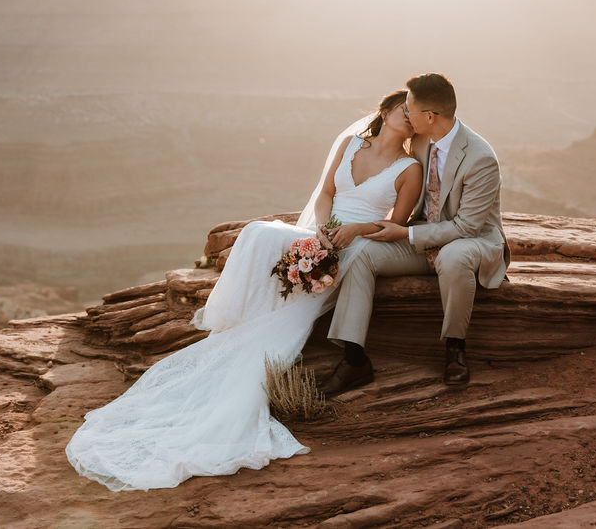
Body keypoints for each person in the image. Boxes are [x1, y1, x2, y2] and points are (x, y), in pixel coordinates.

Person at [65, 90, 422, 491]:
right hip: (321, 231)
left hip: (356, 244)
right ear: (387, 109)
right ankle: (239, 319)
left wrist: (350, 234)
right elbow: (325, 194)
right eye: (402, 109)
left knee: (300, 291)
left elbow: (395, 225)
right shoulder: (351, 143)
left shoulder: (409, 168)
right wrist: (318, 231)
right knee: (258, 233)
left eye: (414, 113)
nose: (408, 116)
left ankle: (267, 336)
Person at [319, 73, 510, 397]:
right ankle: (353, 358)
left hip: (470, 240)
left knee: (454, 256)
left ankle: (455, 349)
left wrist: (405, 235)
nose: (405, 113)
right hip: (423, 233)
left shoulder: (481, 158)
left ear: (429, 116)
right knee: (363, 253)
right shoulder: (422, 141)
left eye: (409, 108)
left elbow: (467, 227)